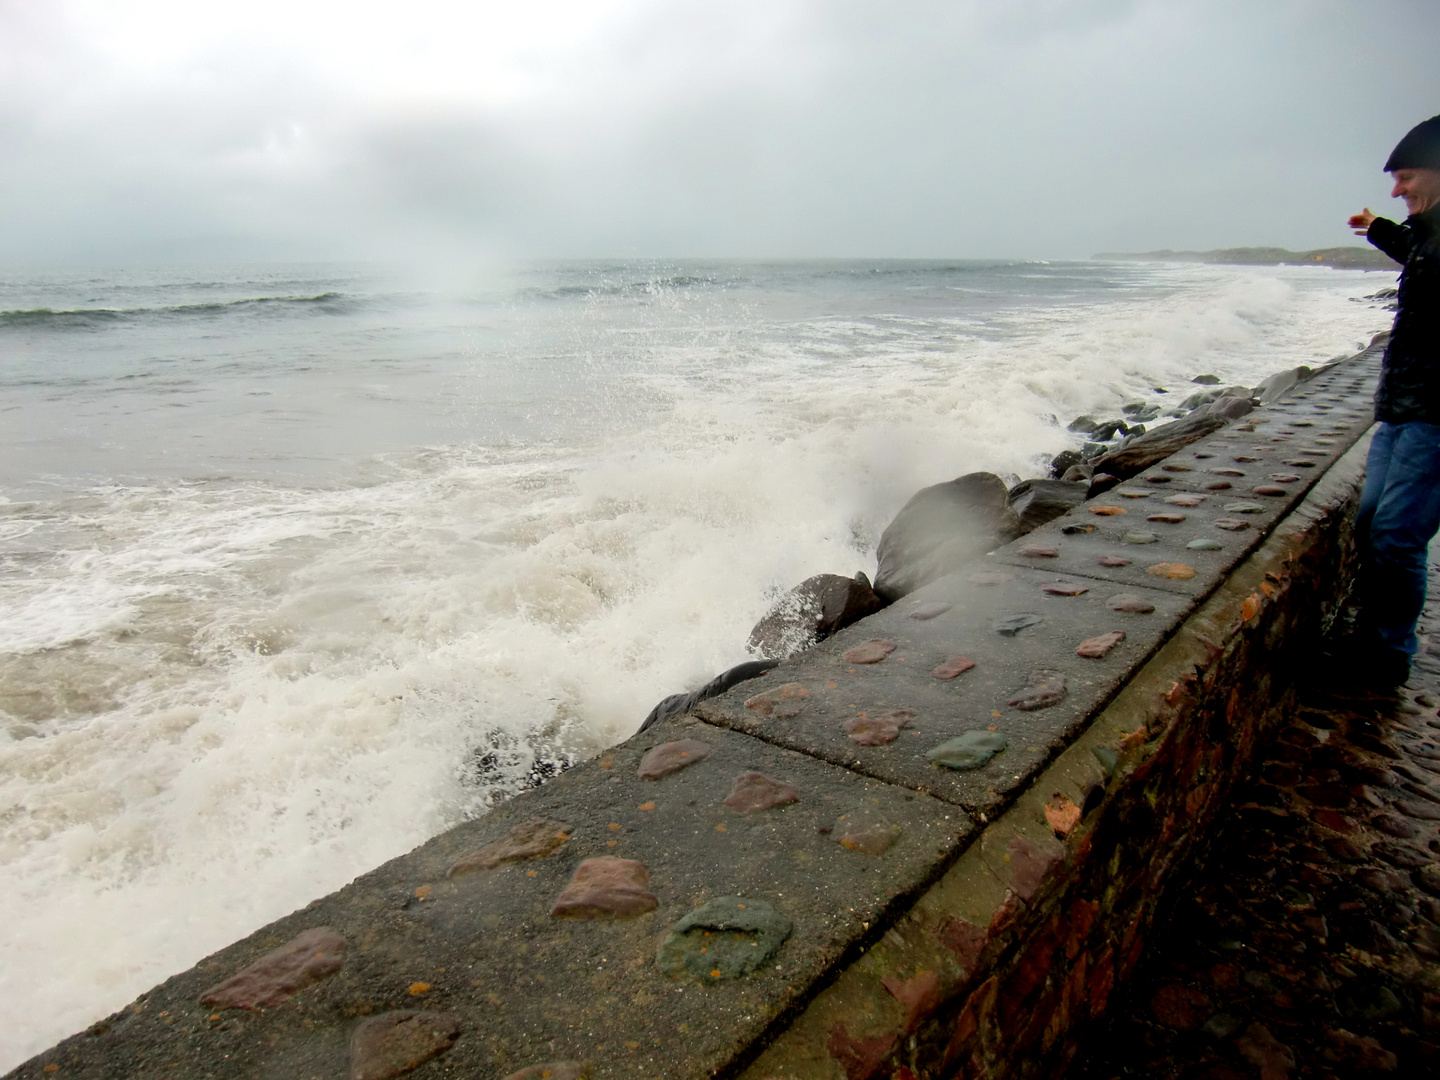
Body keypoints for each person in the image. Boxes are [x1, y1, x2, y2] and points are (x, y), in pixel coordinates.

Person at [1343, 114, 1440, 688]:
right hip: (1402, 409)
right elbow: (1417, 250)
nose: (1395, 189)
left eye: (1404, 177)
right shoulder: (1429, 234)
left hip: (1434, 415)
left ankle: (1387, 657)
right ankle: (1372, 637)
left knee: (1398, 535)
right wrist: (1380, 226)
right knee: (1372, 520)